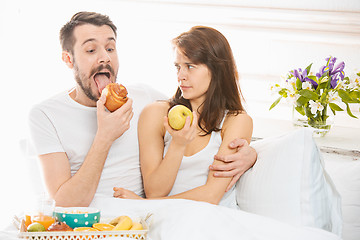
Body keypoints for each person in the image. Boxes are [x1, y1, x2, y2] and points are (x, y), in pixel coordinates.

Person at [28, 12, 257, 208]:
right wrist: (105, 136)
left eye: (110, 48)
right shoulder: (45, 115)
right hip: (92, 219)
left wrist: (252, 154)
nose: (104, 57)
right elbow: (63, 204)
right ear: (68, 59)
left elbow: (208, 116)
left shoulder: (144, 98)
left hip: (141, 215)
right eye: (90, 50)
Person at [113, 26, 252, 209]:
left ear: (217, 69)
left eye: (190, 66)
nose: (181, 76)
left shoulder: (236, 120)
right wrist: (178, 144)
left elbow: (211, 196)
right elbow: (155, 191)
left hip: (213, 218)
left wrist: (143, 205)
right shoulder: (156, 113)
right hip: (165, 217)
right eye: (178, 67)